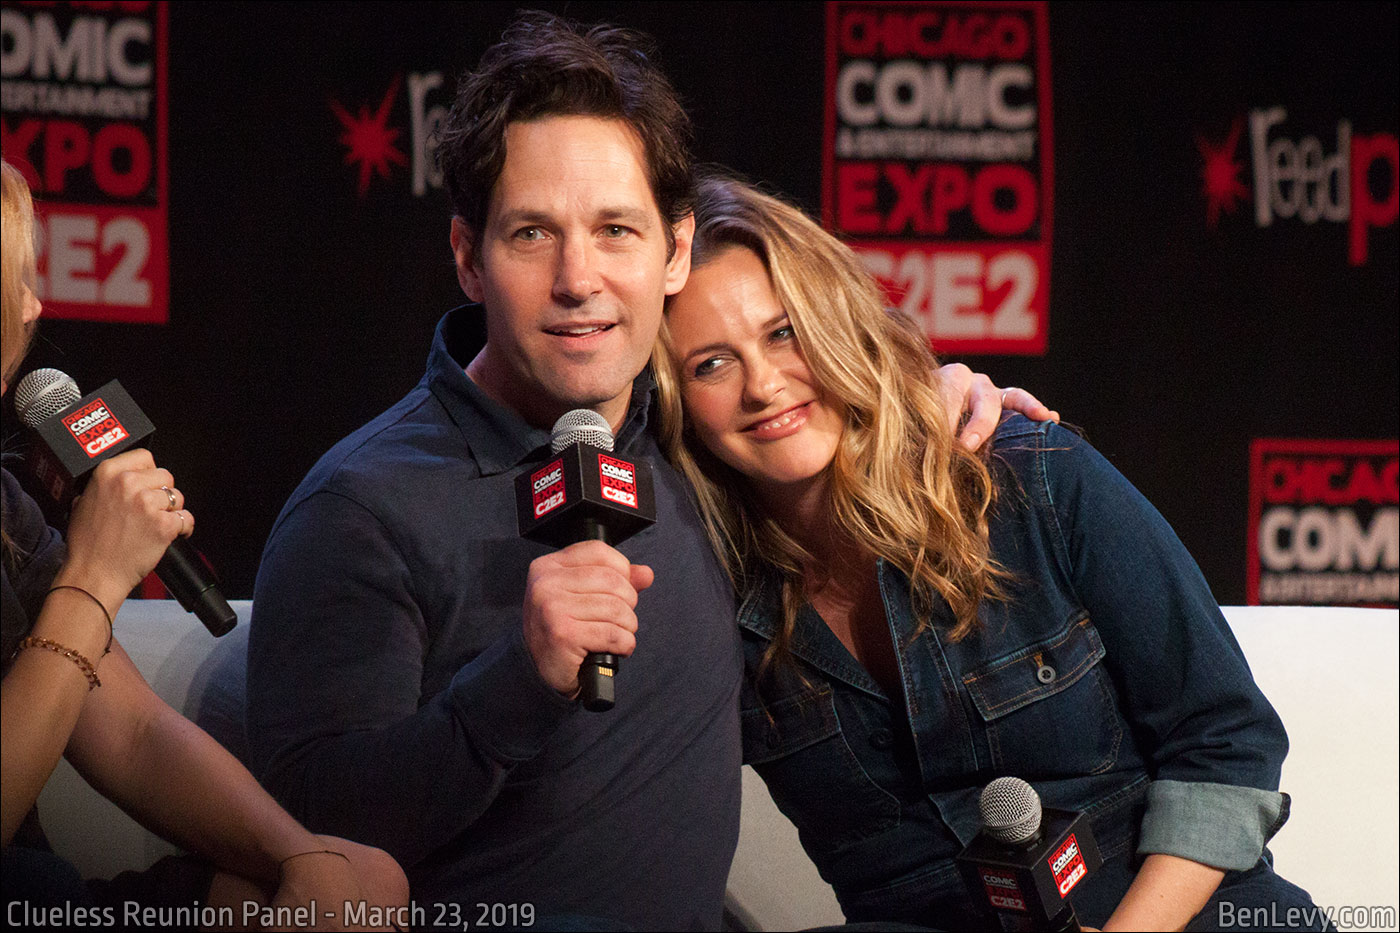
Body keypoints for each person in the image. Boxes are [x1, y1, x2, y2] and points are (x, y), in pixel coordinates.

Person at [245, 14, 1047, 930]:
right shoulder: (361, 506)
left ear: (673, 252)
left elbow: (813, 409)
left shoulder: (704, 439)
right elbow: (310, 835)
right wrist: (520, 679)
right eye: (532, 235)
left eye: (616, 230)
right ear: (469, 258)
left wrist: (926, 398)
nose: (578, 278)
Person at [653, 172, 1329, 931]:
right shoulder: (703, 599)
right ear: (672, 403)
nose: (765, 385)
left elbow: (1227, 746)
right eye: (711, 363)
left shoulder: (1027, 476)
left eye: (783, 332)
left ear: (838, 322)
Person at [0, 158, 409, 929]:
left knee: (364, 881)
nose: (33, 305)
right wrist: (91, 578)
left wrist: (300, 857)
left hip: (45, 892)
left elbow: (133, 730)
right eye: (11, 278)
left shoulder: (5, 508)